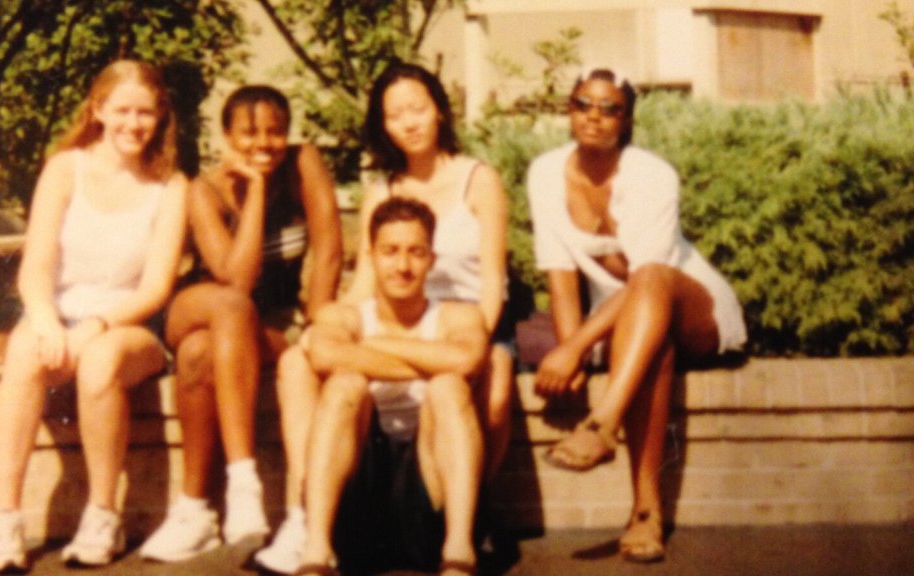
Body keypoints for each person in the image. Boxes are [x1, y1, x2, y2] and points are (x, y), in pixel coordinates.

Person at [257, 62, 511, 575]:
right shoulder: (383, 190)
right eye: (395, 115)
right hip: (400, 320)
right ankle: (305, 518)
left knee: (493, 370)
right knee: (297, 364)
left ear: (439, 109)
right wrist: (338, 328)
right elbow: (364, 286)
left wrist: (462, 345)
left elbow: (491, 285)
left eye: (417, 108)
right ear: (383, 124)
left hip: (467, 318)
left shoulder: (478, 179)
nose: (409, 122)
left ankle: (472, 513)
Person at [527, 67, 747, 562]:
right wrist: (570, 358)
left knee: (649, 279)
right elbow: (560, 273)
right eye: (583, 104)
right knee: (653, 345)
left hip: (694, 305)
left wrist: (576, 346)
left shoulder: (651, 174)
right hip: (629, 324)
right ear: (568, 109)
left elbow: (646, 277)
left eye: (610, 109)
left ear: (626, 121)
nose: (594, 116)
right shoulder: (545, 173)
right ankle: (646, 513)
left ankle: (603, 424)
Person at [0, 60, 188, 573]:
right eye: (122, 111)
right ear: (98, 110)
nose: (133, 124)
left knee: (98, 362)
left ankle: (102, 515)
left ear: (161, 115)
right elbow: (35, 268)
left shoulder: (170, 184)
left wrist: (97, 325)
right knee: (23, 350)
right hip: (61, 313)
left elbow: (156, 288)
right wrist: (46, 320)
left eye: (145, 113)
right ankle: (5, 519)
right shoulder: (64, 169)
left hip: (129, 326)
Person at [139, 85, 343, 562]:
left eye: (275, 131)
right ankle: (243, 482)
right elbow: (236, 278)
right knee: (230, 306)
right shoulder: (203, 190)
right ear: (227, 136)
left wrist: (317, 321)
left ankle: (195, 511)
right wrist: (254, 192)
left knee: (198, 354)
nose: (264, 144)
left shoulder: (302, 164)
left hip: (260, 325)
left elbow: (330, 251)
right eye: (249, 133)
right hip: (199, 305)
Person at [295, 196, 486, 576]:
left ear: (431, 259)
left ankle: (459, 553)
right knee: (344, 385)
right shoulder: (343, 316)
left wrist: (373, 346)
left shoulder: (458, 316)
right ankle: (316, 554)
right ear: (370, 257)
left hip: (428, 489)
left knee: (448, 387)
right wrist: (428, 361)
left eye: (416, 252)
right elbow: (324, 355)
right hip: (358, 491)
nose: (402, 266)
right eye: (390, 252)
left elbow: (466, 361)